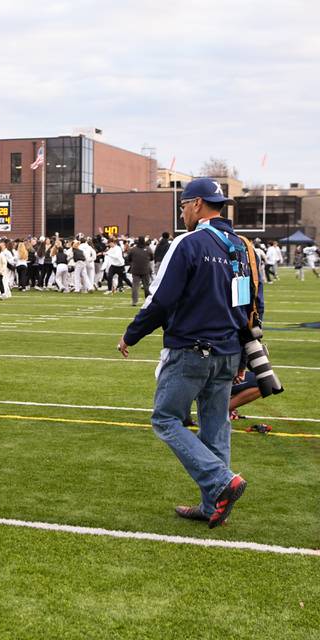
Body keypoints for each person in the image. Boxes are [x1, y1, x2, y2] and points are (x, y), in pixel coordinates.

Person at [117, 178, 263, 528]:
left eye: (183, 205)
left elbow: (161, 300)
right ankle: (214, 503)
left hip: (192, 350)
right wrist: (244, 356)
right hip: (228, 351)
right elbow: (252, 305)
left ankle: (220, 482)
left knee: (166, 419)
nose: (182, 211)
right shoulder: (243, 248)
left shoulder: (189, 243)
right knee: (215, 427)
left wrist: (131, 335)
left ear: (197, 204)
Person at [128, 236, 153, 306]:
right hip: (145, 269)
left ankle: (134, 301)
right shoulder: (148, 249)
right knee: (146, 286)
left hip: (135, 269)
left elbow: (129, 258)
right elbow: (152, 258)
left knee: (135, 286)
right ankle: (148, 300)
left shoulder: (133, 249)